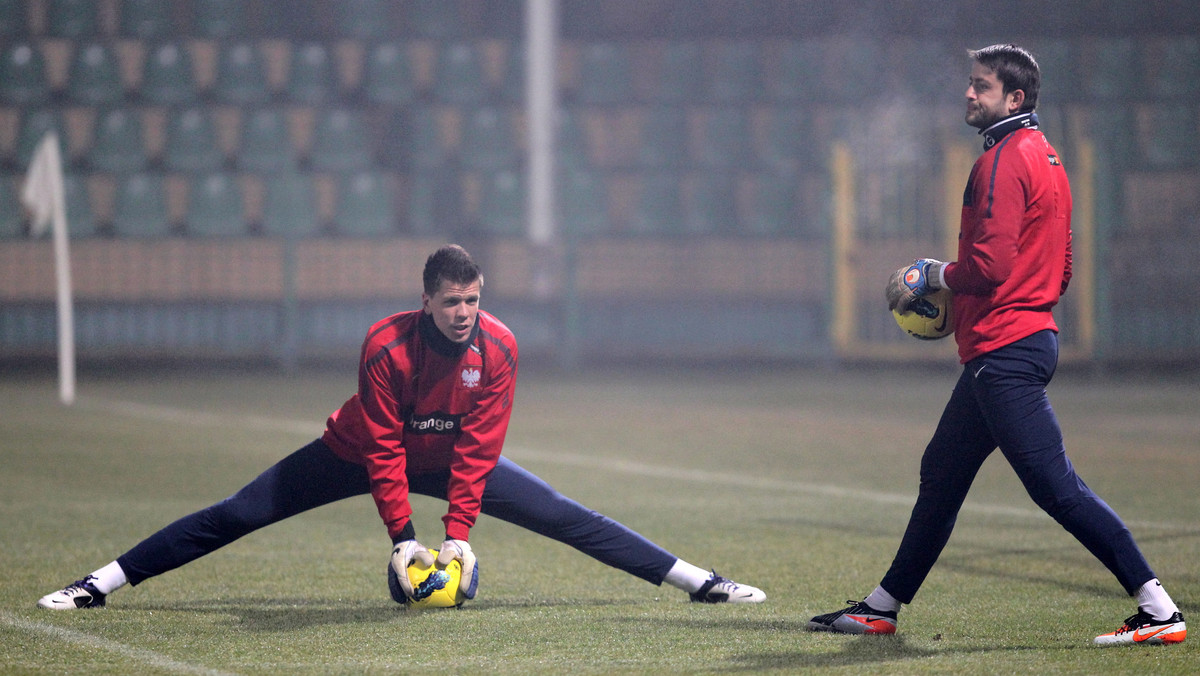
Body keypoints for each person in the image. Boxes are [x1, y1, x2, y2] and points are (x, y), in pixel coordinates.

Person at [38, 244, 765, 610]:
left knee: (568, 517)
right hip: (356, 452)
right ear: (425, 299)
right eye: (451, 300)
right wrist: (403, 540)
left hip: (449, 460)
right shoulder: (385, 344)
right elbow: (383, 445)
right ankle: (95, 585)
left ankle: (701, 583)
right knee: (236, 514)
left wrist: (456, 535)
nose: (464, 312)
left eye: (473, 299)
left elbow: (480, 447)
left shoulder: (502, 347)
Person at [806, 44, 1185, 646]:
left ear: (1013, 98)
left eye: (980, 86)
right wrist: (1020, 305)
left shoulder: (1002, 160)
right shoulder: (1048, 155)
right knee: (942, 473)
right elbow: (1059, 266)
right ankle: (881, 608)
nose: (968, 94)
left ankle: (1159, 609)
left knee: (1055, 488)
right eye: (971, 84)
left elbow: (987, 266)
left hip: (1005, 352)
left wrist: (931, 274)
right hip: (1018, 341)